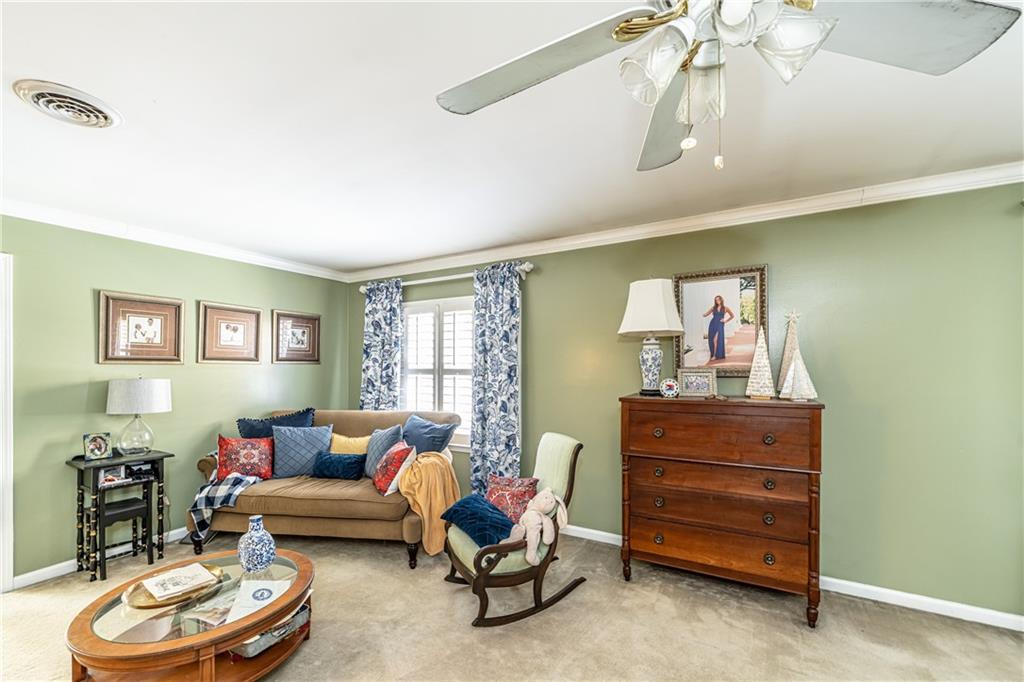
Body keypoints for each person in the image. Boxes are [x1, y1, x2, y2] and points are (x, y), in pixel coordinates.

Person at [703, 295, 734, 361]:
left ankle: (715, 355)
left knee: (715, 339)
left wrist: (725, 320)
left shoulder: (725, 308)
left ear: (721, 300)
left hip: (720, 324)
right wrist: (702, 314)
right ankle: (714, 354)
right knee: (712, 339)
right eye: (716, 300)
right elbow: (706, 314)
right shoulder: (713, 308)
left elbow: (732, 316)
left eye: (718, 299)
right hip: (713, 324)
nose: (717, 301)